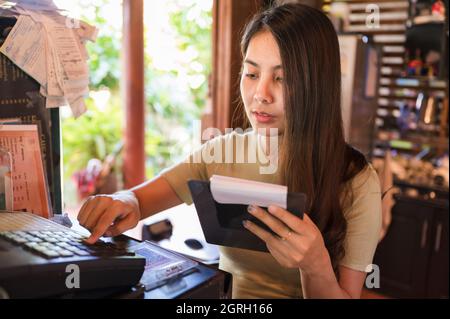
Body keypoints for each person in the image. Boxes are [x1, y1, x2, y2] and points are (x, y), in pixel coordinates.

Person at [77, 3, 382, 299]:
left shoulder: (356, 181)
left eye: (282, 78)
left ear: (317, 85)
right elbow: (140, 200)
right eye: (251, 74)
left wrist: (316, 267)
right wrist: (123, 199)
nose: (260, 95)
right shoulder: (222, 151)